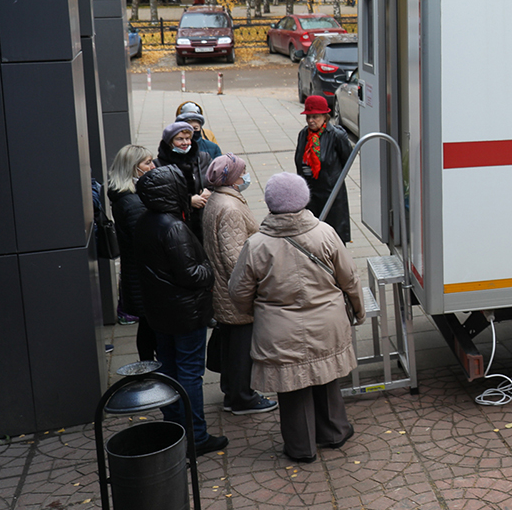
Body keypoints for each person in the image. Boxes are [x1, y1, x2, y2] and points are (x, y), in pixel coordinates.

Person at [228, 172, 363, 463]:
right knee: (326, 377)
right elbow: (349, 278)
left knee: (292, 387)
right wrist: (357, 309)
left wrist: (255, 312)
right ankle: (335, 432)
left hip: (279, 331)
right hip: (328, 324)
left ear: (270, 203)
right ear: (304, 199)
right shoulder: (325, 233)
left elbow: (238, 292)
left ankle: (302, 447)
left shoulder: (257, 245)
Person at [134, 165, 228, 457]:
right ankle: (196, 435)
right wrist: (210, 268)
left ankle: (175, 428)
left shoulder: (145, 221)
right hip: (184, 314)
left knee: (169, 369)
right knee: (188, 373)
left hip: (160, 313)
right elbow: (191, 275)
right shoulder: (173, 227)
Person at [202, 153, 277, 415]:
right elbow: (236, 258)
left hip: (223, 289)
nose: (246, 176)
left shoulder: (218, 199)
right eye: (242, 171)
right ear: (232, 178)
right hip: (234, 293)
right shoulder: (230, 208)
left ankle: (231, 392)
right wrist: (254, 287)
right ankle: (243, 398)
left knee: (231, 343)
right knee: (241, 347)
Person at [106, 144, 158, 362]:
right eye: (147, 162)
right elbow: (148, 241)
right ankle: (150, 368)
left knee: (148, 325)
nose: (153, 166)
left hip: (137, 272)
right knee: (150, 324)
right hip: (143, 275)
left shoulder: (125, 196)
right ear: (132, 168)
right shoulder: (132, 202)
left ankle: (148, 366)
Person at [295, 95, 352, 243]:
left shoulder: (336, 135)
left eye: (315, 117)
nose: (310, 121)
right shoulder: (303, 135)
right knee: (312, 235)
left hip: (331, 193)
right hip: (310, 193)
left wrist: (333, 178)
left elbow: (347, 160)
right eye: (308, 117)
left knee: (334, 235)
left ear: (325, 117)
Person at [156, 121, 212, 241]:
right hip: (177, 224)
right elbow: (159, 197)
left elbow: (216, 181)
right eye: (180, 139)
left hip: (204, 223)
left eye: (187, 138)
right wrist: (187, 202)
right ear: (169, 142)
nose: (185, 143)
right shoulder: (159, 166)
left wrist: (210, 191)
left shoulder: (203, 158)